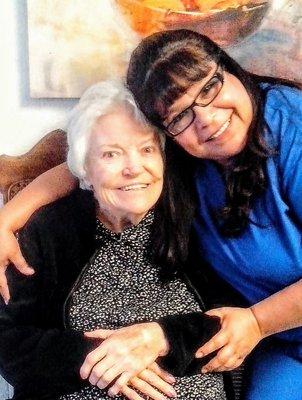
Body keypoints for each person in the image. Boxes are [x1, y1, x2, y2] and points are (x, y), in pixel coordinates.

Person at [2, 28, 301, 399]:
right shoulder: (180, 152)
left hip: (270, 334)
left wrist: (162, 339)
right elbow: (95, 156)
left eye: (208, 88)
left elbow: (225, 324)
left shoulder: (286, 130)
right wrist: (8, 217)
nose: (206, 119)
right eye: (111, 155)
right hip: (283, 346)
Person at [0, 78, 237, 400]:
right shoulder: (50, 230)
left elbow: (236, 321)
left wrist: (162, 338)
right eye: (111, 154)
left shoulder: (196, 218)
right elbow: (9, 343)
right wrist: (98, 357)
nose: (134, 168)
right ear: (83, 167)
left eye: (147, 149)